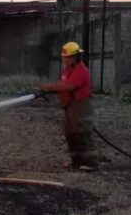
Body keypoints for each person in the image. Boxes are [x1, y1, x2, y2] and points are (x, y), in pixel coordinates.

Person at [40, 41, 99, 170]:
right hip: (69, 106)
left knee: (82, 133)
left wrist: (49, 86)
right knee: (70, 133)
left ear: (75, 57)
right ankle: (76, 162)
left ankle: (90, 163)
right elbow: (62, 84)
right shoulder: (68, 70)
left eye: (67, 57)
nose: (65, 60)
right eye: (64, 57)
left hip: (81, 106)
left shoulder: (81, 70)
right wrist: (51, 90)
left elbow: (70, 86)